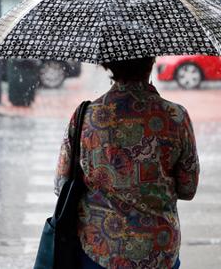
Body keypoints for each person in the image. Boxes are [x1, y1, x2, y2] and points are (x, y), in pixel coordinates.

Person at [55, 57, 199, 269]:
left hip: (100, 251)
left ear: (108, 65)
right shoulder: (175, 116)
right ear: (151, 63)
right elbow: (188, 189)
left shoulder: (86, 116)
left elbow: (61, 185)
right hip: (158, 250)